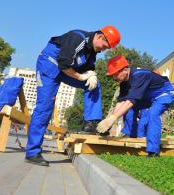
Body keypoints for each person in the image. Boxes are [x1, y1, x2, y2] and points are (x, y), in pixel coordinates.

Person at [25, 26, 121, 166]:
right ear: (100, 37)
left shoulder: (92, 51)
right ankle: (32, 153)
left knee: (94, 85)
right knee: (45, 106)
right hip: (49, 64)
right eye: (105, 46)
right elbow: (64, 64)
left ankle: (91, 124)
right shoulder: (78, 38)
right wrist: (81, 77)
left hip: (66, 70)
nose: (104, 50)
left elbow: (88, 68)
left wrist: (91, 75)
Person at [96, 56, 174, 157]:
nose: (114, 78)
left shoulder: (140, 75)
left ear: (125, 70)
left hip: (164, 94)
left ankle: (153, 151)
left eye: (115, 74)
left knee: (153, 114)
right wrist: (109, 121)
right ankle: (131, 137)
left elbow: (130, 101)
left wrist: (113, 118)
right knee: (128, 109)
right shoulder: (124, 83)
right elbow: (121, 103)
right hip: (147, 98)